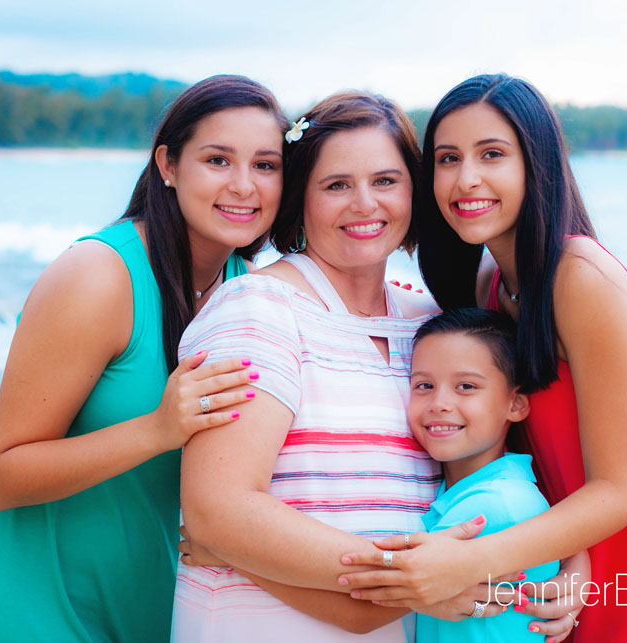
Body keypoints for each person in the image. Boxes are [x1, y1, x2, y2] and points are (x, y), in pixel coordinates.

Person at [338, 74, 627, 642]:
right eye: (448, 158)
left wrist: (468, 563)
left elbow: (616, 493)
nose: (466, 178)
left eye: (492, 154)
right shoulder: (489, 287)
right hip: (552, 579)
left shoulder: (581, 276)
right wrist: (570, 558)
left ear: (537, 164)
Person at [172, 91, 519, 642]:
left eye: (385, 181)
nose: (365, 204)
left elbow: (496, 472)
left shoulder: (426, 321)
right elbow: (219, 508)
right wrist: (413, 579)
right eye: (336, 186)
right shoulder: (258, 308)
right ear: (300, 200)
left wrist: (569, 574)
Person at [0, 75, 288, 642]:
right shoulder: (98, 276)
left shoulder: (249, 291)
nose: (243, 186)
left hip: (152, 594)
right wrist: (158, 430)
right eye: (217, 160)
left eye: (265, 165)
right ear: (168, 165)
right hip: (38, 595)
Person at [409, 307, 559, 642]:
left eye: (465, 386)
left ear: (516, 404)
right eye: (424, 385)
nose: (439, 403)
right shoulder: (467, 490)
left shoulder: (490, 510)